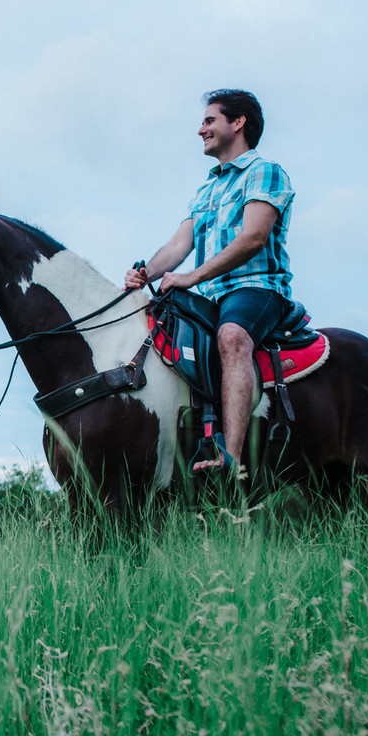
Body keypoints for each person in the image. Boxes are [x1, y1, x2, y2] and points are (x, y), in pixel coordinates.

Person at [124, 89, 295, 475]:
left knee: (232, 336)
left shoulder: (264, 171)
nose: (201, 130)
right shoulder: (207, 187)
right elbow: (178, 245)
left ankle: (229, 458)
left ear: (238, 123)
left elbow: (253, 237)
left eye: (209, 121)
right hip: (213, 294)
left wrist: (192, 277)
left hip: (258, 288)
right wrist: (145, 274)